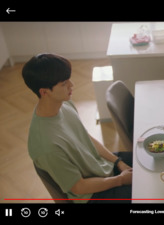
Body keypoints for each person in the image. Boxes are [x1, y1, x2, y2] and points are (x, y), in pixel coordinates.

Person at [22, 53, 133, 203]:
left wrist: (118, 162)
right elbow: (78, 187)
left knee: (149, 158)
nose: (72, 85)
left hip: (102, 168)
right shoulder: (46, 145)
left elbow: (85, 137)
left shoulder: (64, 104)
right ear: (44, 92)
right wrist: (120, 180)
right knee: (151, 194)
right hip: (92, 194)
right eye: (64, 84)